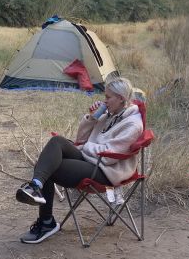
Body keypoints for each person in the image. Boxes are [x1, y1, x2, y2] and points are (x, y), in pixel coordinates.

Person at [15, 76, 144, 244]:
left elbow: (110, 155)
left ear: (121, 99)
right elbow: (81, 140)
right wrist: (93, 118)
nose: (104, 101)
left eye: (108, 97)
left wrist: (86, 147)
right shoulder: (111, 114)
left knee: (50, 167)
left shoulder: (133, 125)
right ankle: (35, 186)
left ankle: (46, 222)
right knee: (57, 142)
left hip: (106, 171)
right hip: (92, 160)